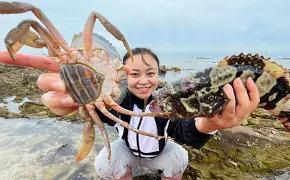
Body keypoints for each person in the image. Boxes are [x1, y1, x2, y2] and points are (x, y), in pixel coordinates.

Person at [0, 49, 260, 180]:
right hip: (128, 151)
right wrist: (84, 99)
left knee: (180, 156)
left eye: (151, 73)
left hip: (159, 154)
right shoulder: (118, 100)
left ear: (159, 76)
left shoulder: (165, 104)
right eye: (134, 74)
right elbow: (101, 116)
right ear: (123, 76)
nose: (143, 81)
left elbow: (184, 131)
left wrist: (208, 125)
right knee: (105, 161)